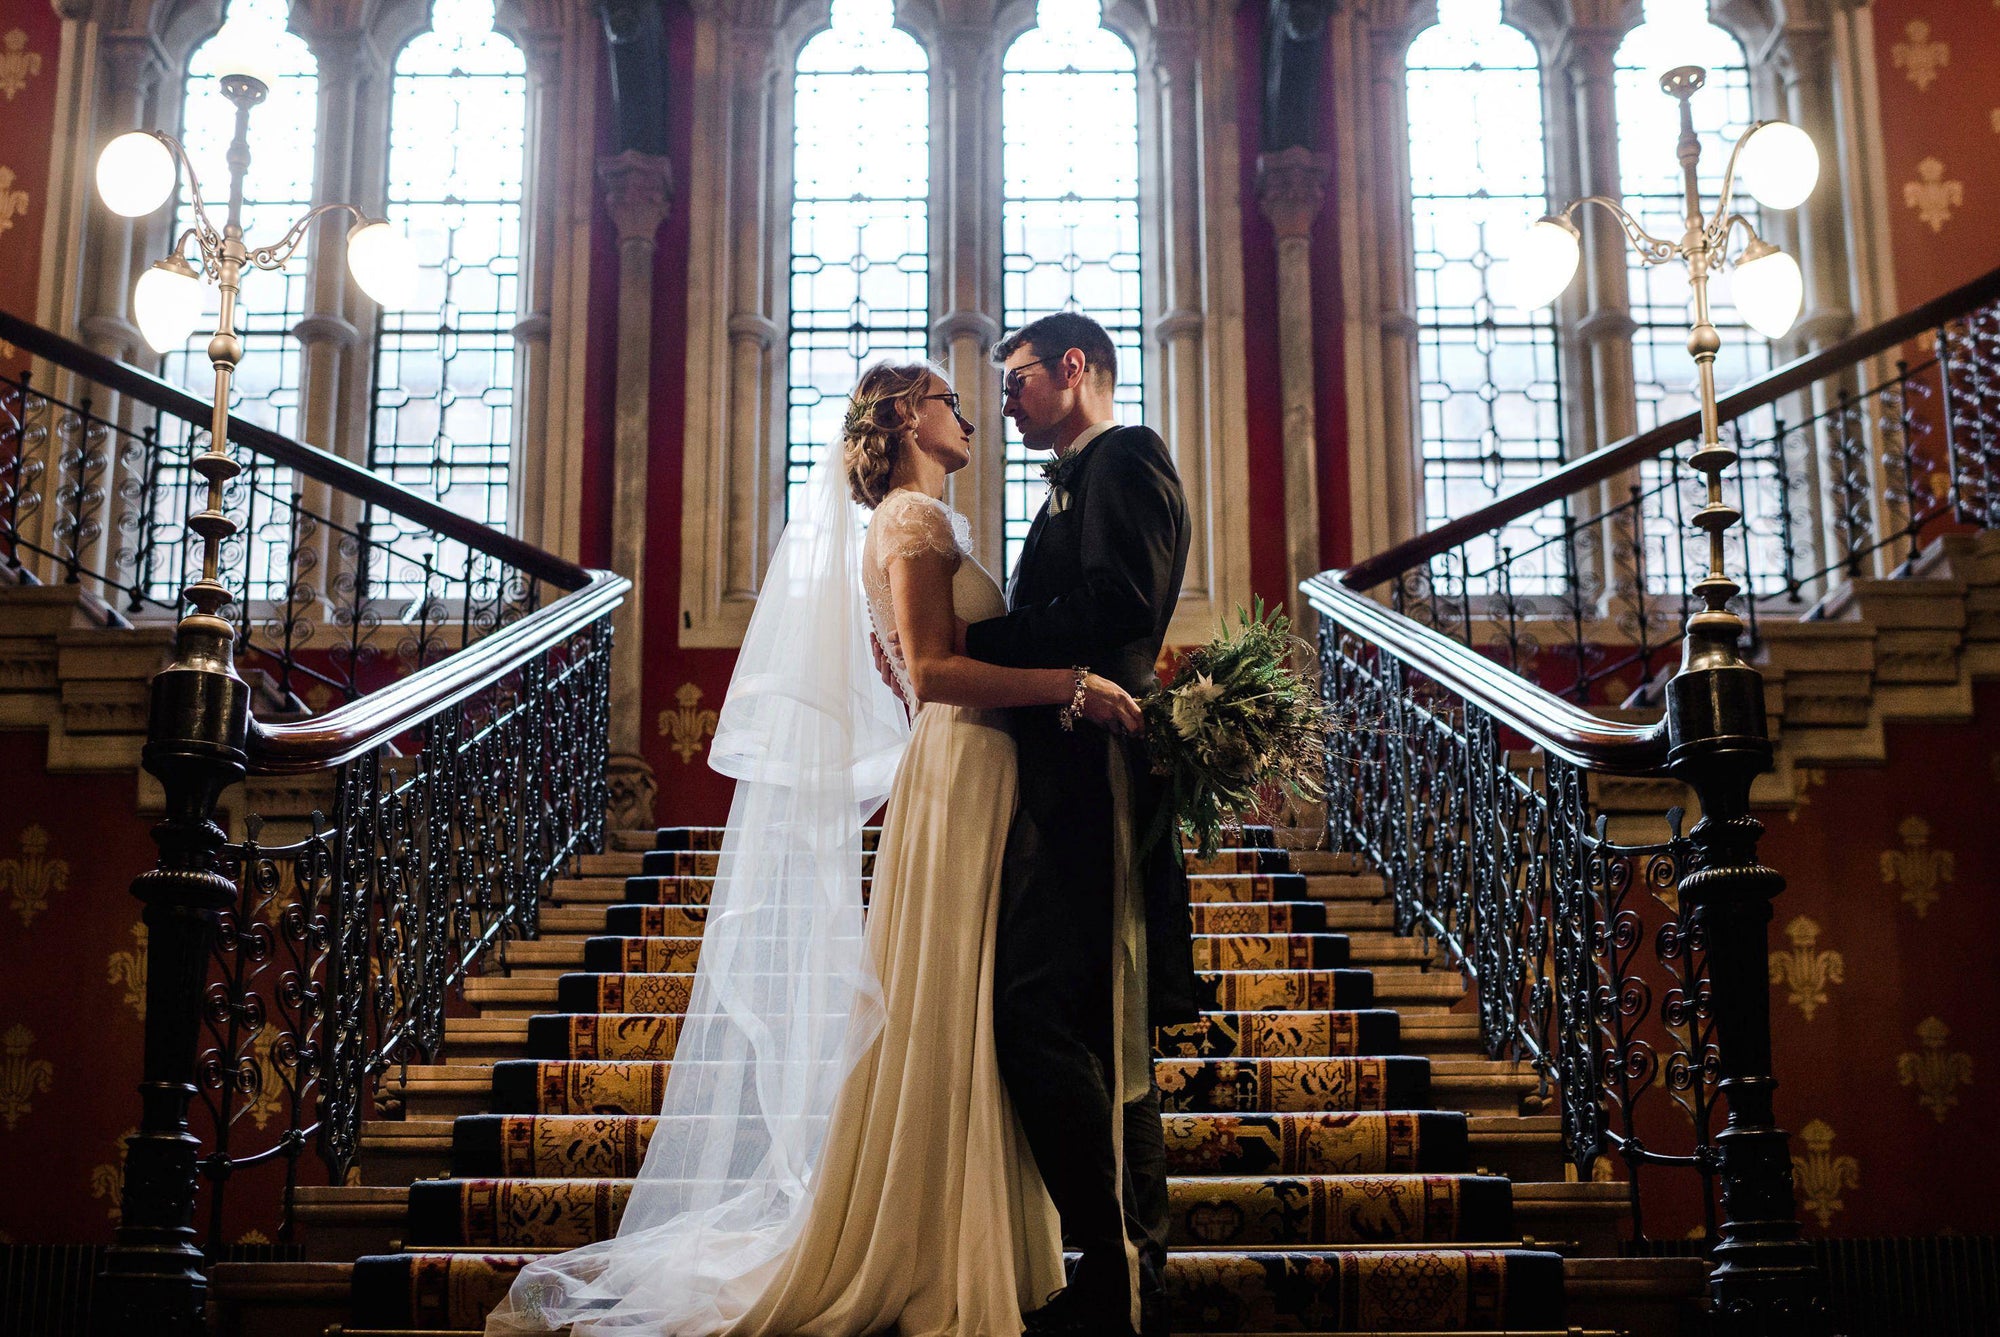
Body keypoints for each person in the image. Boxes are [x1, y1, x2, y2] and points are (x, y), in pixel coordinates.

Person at [485, 358, 1143, 1337]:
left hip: (975, 770)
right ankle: (925, 1243)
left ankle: (972, 1234)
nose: (968, 415)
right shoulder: (911, 523)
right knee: (952, 1003)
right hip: (962, 768)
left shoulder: (929, 524)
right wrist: (1073, 687)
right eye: (948, 402)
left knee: (970, 1004)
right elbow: (930, 671)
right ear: (906, 419)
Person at [964, 312, 1194, 1337]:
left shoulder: (1125, 458)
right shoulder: (1070, 480)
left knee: (1051, 1014)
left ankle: (1120, 1270)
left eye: (1015, 378)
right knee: (1082, 1018)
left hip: (1099, 771)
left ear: (1073, 368)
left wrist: (969, 641)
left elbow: (1116, 601)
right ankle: (1117, 1271)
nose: (1002, 399)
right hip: (1061, 766)